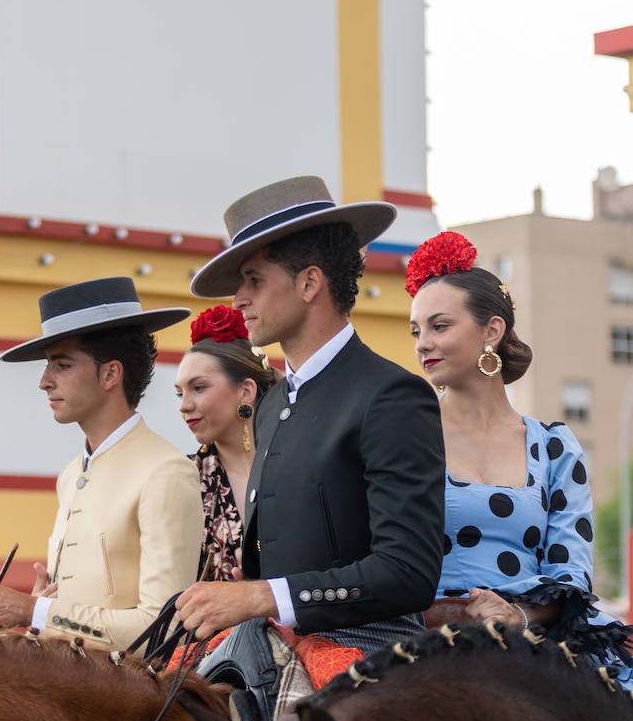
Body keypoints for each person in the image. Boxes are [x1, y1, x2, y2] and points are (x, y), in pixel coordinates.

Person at [175, 175, 446, 649]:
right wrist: (254, 590)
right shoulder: (271, 404)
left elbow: (408, 573)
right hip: (275, 653)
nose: (239, 299)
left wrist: (264, 595)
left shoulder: (392, 396)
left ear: (309, 282)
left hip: (372, 663)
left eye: (254, 280)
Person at [407, 229, 632, 682]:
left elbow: (570, 571)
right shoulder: (406, 437)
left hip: (532, 644)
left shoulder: (554, 446)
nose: (422, 344)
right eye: (416, 330)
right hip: (423, 644)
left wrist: (518, 617)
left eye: (440, 325)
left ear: (492, 330)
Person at [0, 276, 204, 652]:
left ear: (110, 374)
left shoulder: (165, 473)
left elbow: (162, 628)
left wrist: (38, 611)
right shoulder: (71, 474)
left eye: (61, 365)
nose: (44, 382)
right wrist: (43, 610)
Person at [175, 305, 277, 580]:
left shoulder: (299, 463)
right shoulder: (183, 478)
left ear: (246, 391)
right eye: (179, 393)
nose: (184, 406)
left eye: (198, 388)